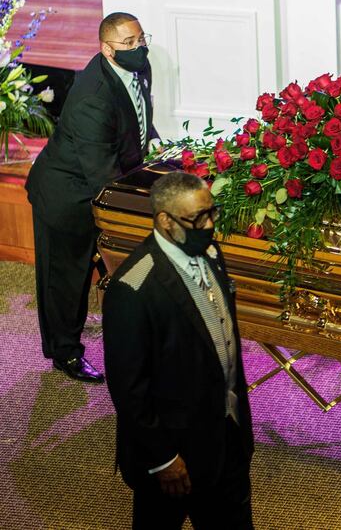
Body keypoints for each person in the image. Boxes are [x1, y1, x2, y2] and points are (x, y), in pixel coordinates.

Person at [103, 172, 254, 529]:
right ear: (165, 221)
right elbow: (129, 388)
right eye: (199, 219)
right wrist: (163, 459)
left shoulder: (210, 253)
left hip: (226, 436)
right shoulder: (134, 288)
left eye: (212, 213)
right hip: (174, 456)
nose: (211, 226)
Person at [25, 12, 159, 383]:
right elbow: (104, 174)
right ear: (107, 49)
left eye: (141, 38)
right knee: (66, 280)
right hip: (66, 195)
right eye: (129, 43)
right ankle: (64, 352)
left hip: (98, 178)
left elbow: (137, 113)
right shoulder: (92, 99)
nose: (139, 47)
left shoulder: (137, 67)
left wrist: (156, 141)